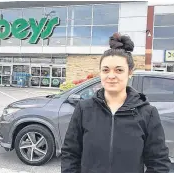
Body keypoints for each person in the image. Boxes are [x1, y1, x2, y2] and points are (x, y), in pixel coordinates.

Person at [61, 33, 171, 173]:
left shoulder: (147, 113)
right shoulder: (84, 109)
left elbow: (159, 163)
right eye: (105, 70)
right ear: (100, 73)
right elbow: (70, 154)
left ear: (130, 73)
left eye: (119, 70)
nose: (111, 75)